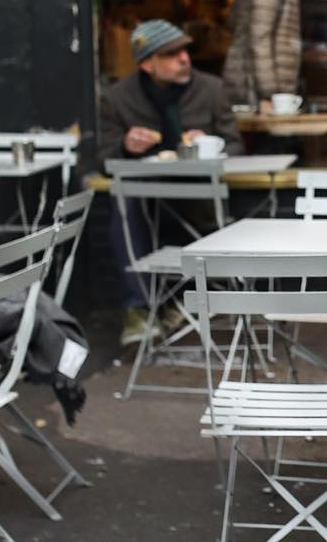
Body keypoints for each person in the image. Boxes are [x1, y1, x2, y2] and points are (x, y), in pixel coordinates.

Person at [99, 18, 241, 346]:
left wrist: (211, 143)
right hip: (148, 200)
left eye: (185, 51)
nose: (184, 59)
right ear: (147, 63)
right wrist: (126, 145)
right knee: (124, 202)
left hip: (201, 198)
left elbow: (236, 146)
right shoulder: (119, 98)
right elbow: (103, 158)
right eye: (171, 54)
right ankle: (140, 309)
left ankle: (182, 301)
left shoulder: (211, 89)